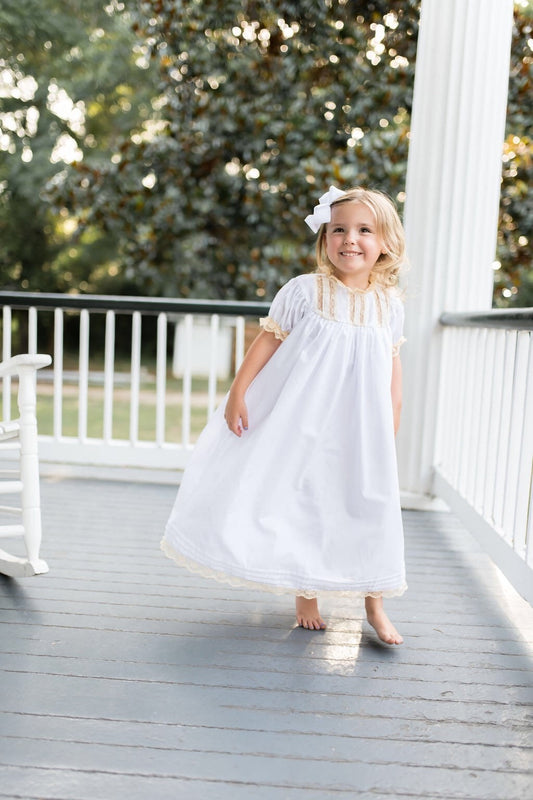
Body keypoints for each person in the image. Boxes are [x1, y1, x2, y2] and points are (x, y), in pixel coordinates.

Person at [162, 186, 407, 645]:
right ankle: (305, 589)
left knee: (370, 505)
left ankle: (375, 602)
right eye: (339, 229)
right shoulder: (305, 292)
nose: (349, 239)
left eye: (363, 230)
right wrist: (239, 393)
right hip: (308, 418)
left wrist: (391, 420)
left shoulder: (388, 306)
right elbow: (268, 342)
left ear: (386, 243)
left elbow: (392, 368)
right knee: (308, 495)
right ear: (324, 239)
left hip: (362, 428)